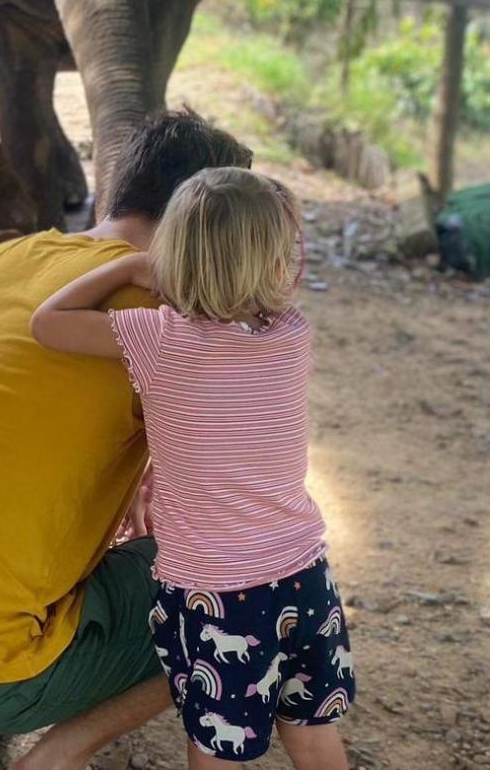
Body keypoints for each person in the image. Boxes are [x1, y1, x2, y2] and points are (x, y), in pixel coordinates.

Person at [0, 109, 255, 769]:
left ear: (114, 190)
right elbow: (235, 505)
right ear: (204, 230)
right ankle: (60, 749)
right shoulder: (163, 322)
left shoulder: (9, 259)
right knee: (241, 594)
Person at [31, 167, 353, 768]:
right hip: (305, 574)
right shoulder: (292, 335)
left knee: (218, 748)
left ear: (171, 254)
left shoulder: (157, 338)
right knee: (311, 734)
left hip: (215, 592)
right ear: (278, 259)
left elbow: (46, 322)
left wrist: (127, 268)